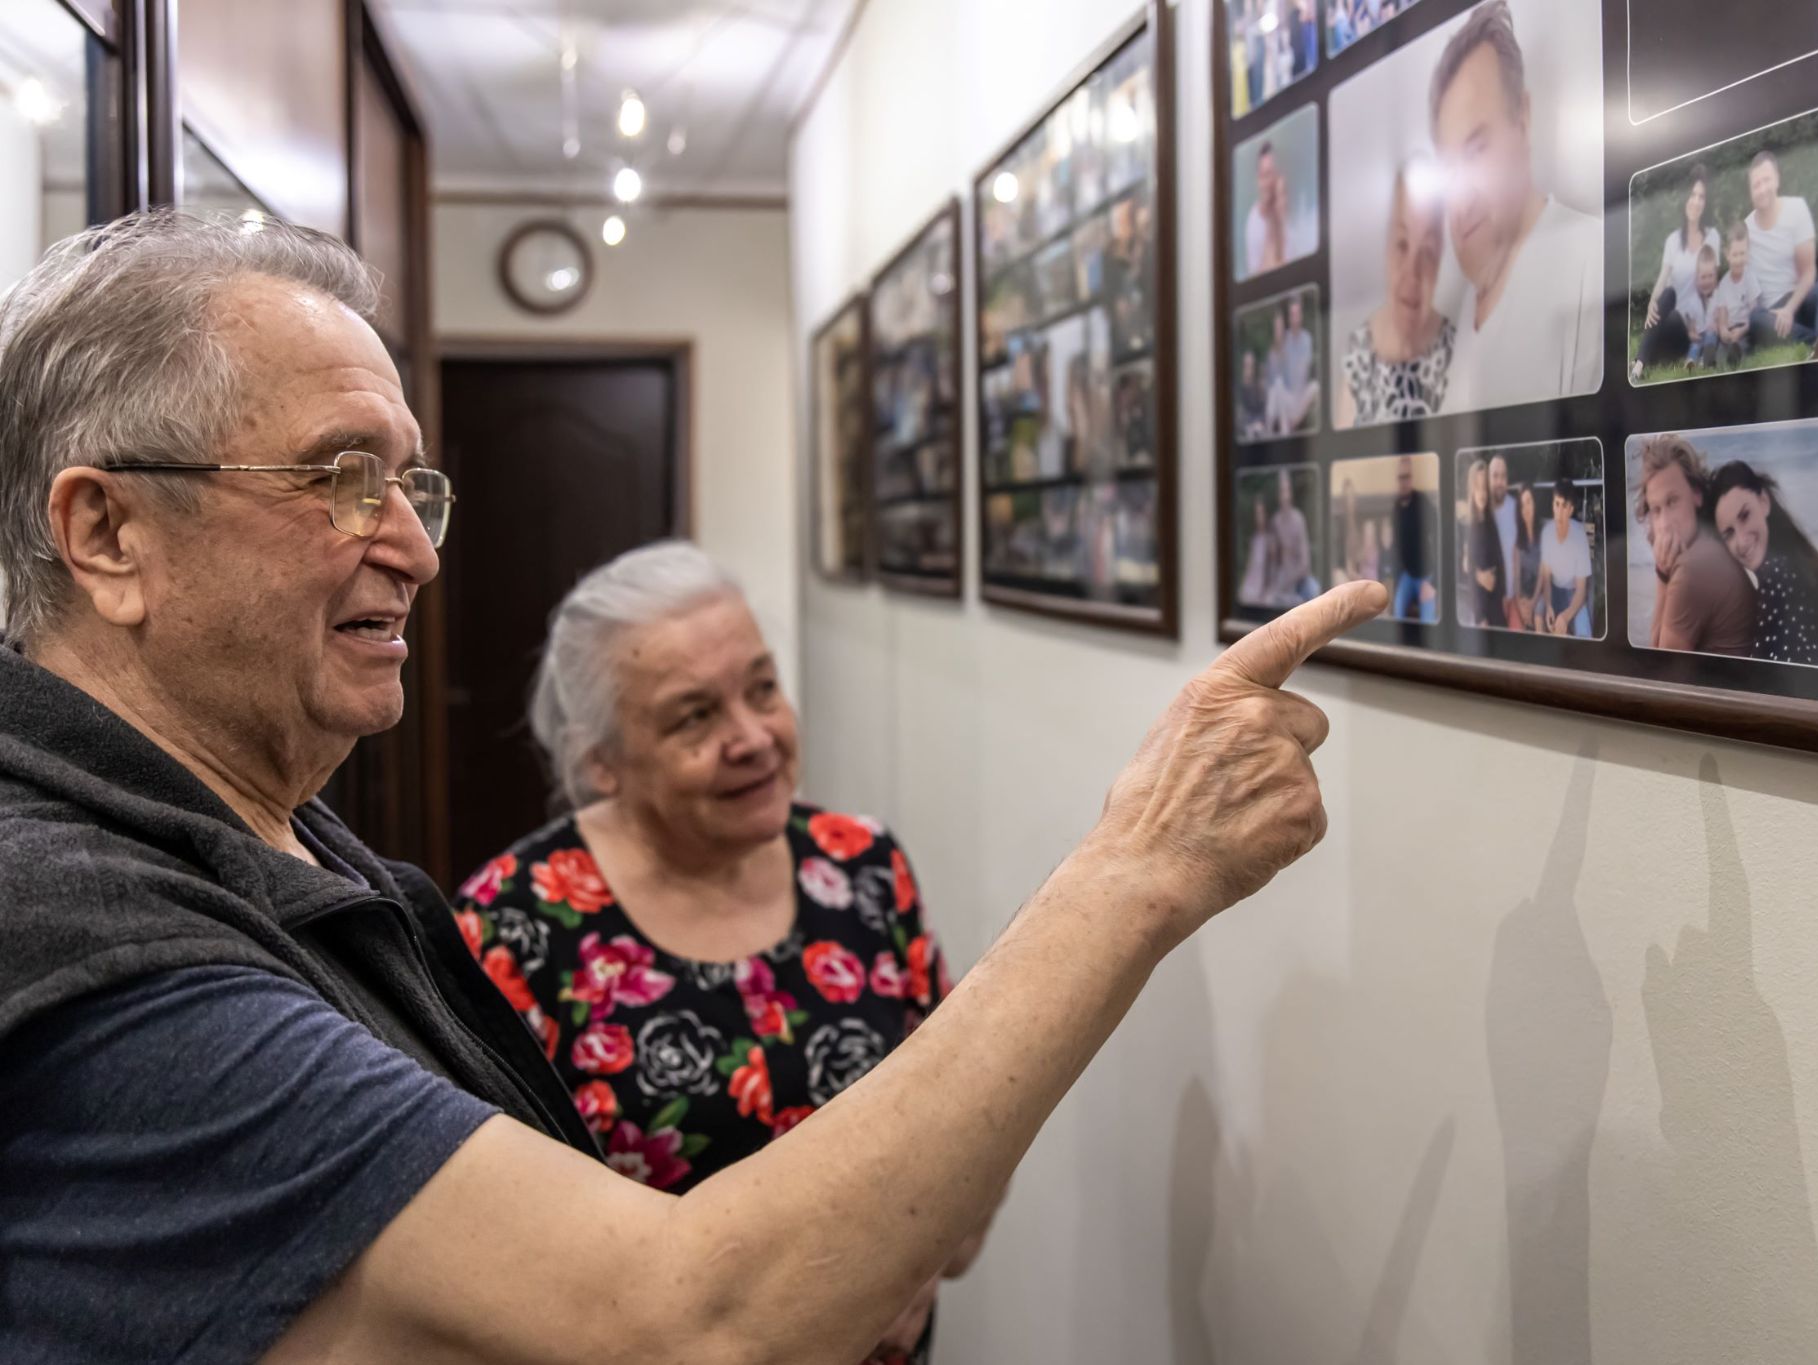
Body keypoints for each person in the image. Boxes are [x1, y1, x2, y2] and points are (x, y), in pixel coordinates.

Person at [0, 209, 1391, 1365]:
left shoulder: (277, 837)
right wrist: (1143, 861)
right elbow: (693, 1320)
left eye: (409, 486)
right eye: (335, 480)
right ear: (107, 531)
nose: (413, 552)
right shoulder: (97, 950)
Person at [453, 542, 973, 1363]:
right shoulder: (514, 922)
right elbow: (484, 1248)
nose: (754, 737)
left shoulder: (865, 867)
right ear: (602, 763)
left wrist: (916, 1262)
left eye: (763, 688)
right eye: (694, 716)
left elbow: (968, 1116)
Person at [1430, 0, 1603, 411]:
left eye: (1476, 150)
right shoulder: (1459, 322)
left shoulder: (1591, 261)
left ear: (1522, 120)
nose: (1461, 192)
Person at [1342, 157, 1457, 425]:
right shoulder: (1358, 349)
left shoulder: (1456, 349)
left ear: (1440, 261)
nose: (1412, 273)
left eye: (1427, 252)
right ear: (1385, 247)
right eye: (1402, 244)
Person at [1708, 460, 1818, 667]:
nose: (1742, 541)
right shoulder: (1799, 561)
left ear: (1763, 502)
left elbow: (1763, 680)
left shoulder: (1777, 578)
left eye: (1745, 516)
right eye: (1729, 534)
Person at [1635, 432, 1757, 655]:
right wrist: (1663, 572)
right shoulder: (1709, 542)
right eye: (1656, 510)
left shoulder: (1693, 568)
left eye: (1672, 501)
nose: (1664, 523)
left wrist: (1662, 575)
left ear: (1697, 495)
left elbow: (1660, 669)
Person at [1743, 147, 1818, 359]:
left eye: (1766, 180)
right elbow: (1747, 285)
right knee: (1754, 318)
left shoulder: (1797, 209)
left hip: (1799, 299)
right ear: (1751, 191)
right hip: (1770, 315)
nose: (1762, 189)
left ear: (1777, 180)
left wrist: (1789, 309)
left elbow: (1808, 273)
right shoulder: (1747, 229)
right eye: (1756, 185)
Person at [1632, 163, 1721, 379]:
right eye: (1692, 196)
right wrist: (1653, 303)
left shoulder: (1712, 237)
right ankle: (1639, 366)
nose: (1696, 202)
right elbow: (1663, 280)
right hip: (1673, 322)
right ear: (1685, 199)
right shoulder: (1673, 240)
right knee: (1667, 295)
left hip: (1695, 326)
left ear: (1705, 203)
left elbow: (1713, 289)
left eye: (1701, 197)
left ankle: (1642, 360)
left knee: (1669, 304)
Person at [1533, 481, 1595, 638]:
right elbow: (1546, 577)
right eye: (1557, 504)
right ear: (1553, 505)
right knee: (1539, 612)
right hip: (1554, 590)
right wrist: (1548, 605)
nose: (1559, 512)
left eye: (1564, 506)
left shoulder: (1580, 536)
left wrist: (1566, 616)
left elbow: (1582, 590)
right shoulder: (1547, 533)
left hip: (1574, 594)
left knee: (1584, 632)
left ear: (1571, 510)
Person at [1708, 219, 1762, 367]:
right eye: (1735, 254)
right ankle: (1716, 357)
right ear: (1727, 254)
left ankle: (1737, 353)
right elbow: (1722, 314)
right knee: (1721, 347)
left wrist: (1742, 330)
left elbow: (1754, 314)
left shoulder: (1749, 278)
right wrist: (1723, 330)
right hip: (1730, 330)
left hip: (1746, 328)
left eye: (1742, 254)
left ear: (1748, 251)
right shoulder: (1724, 284)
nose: (1739, 259)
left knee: (1743, 344)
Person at [1390, 455, 1438, 622]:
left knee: (1429, 619)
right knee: (1397, 611)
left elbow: (1440, 537)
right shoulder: (1396, 507)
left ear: (1411, 478)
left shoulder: (1422, 502)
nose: (1404, 481)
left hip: (1426, 576)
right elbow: (1395, 547)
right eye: (1400, 477)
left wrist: (1433, 584)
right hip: (1407, 576)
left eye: (1407, 477)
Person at [1461, 456, 1507, 627]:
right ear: (1472, 490)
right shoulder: (1469, 526)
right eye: (1477, 488)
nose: (1482, 493)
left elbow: (1500, 560)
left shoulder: (1490, 522)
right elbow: (1466, 567)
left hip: (1496, 599)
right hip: (1481, 603)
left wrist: (1502, 595)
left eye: (1484, 488)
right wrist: (1480, 617)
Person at [1265, 292, 1320, 433]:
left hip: (1300, 395)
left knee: (1315, 387)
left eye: (1297, 314)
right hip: (1288, 397)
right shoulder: (1285, 339)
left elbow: (1303, 372)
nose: (1294, 318)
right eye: (1292, 314)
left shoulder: (1307, 338)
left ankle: (1293, 423)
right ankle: (1283, 430)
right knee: (1278, 384)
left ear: (1300, 316)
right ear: (1289, 318)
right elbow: (1277, 372)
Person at [1267, 472, 1318, 606]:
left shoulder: (1298, 519)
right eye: (1282, 491)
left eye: (1287, 490)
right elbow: (1273, 560)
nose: (1285, 496)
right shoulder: (1275, 521)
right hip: (1282, 578)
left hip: (1300, 579)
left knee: (1314, 590)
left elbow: (1305, 563)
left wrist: (1289, 581)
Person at [1244, 141, 1289, 277]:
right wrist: (1272, 221)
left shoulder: (1289, 216)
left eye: (1271, 175)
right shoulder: (1254, 221)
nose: (1268, 183)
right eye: (1263, 176)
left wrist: (1280, 215)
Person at [1489, 456, 1520, 623]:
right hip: (1491, 599)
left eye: (1503, 476)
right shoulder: (1482, 511)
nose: (1500, 481)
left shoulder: (1515, 508)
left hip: (1514, 597)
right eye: (1495, 476)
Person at [1513, 483, 1542, 627]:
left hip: (1539, 592)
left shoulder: (1543, 536)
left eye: (1529, 502)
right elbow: (1517, 577)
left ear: (1535, 504)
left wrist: (1532, 604)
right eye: (1522, 504)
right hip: (1524, 594)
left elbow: (1543, 576)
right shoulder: (1518, 540)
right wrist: (1520, 602)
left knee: (1537, 613)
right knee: (1518, 619)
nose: (1526, 508)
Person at [1239, 493, 1275, 603]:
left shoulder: (1270, 539)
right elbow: (1250, 566)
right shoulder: (1255, 538)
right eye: (1256, 513)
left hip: (1263, 589)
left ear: (1266, 514)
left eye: (1260, 513)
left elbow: (1272, 569)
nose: (1258, 517)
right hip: (1252, 585)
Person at [1237, 347, 1269, 439]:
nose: (1249, 368)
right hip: (1247, 425)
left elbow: (1263, 409)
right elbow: (1242, 412)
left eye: (1251, 364)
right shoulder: (1241, 386)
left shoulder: (1259, 384)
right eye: (1246, 365)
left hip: (1259, 423)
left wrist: (1258, 423)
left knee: (1259, 431)